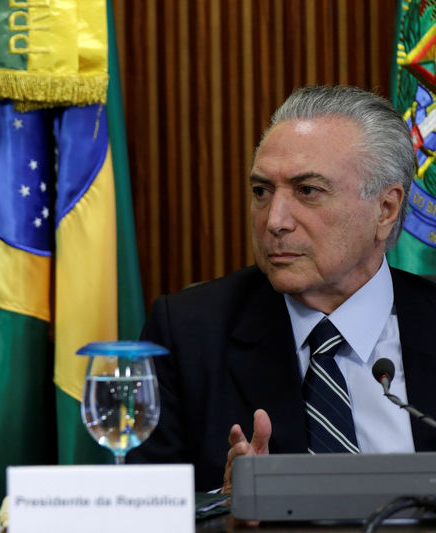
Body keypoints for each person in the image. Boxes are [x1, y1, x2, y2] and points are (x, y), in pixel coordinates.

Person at [127, 86, 436, 492]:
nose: (274, 221)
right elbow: (142, 510)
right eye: (261, 191)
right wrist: (222, 508)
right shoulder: (188, 334)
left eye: (308, 191)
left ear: (386, 209)